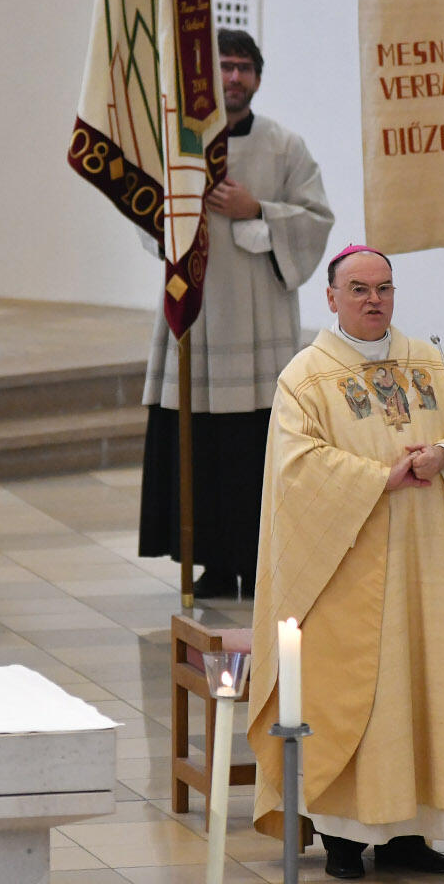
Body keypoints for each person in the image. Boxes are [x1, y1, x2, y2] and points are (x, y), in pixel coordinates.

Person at [246, 247, 444, 880]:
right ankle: (341, 839)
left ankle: (408, 836)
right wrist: (378, 479)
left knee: (421, 690)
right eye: (358, 289)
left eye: (384, 289)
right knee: (355, 697)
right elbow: (296, 470)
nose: (373, 300)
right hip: (346, 573)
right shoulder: (304, 378)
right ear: (330, 298)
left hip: (429, 571)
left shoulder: (431, 363)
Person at [138, 29, 333, 599]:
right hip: (195, 310)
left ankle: (258, 558)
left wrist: (258, 211)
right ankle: (213, 564)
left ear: (258, 76)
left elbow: (317, 219)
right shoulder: (178, 144)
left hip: (257, 316)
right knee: (200, 440)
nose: (234, 78)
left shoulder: (284, 146)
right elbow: (144, 213)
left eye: (245, 68)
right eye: (224, 67)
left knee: (252, 442)